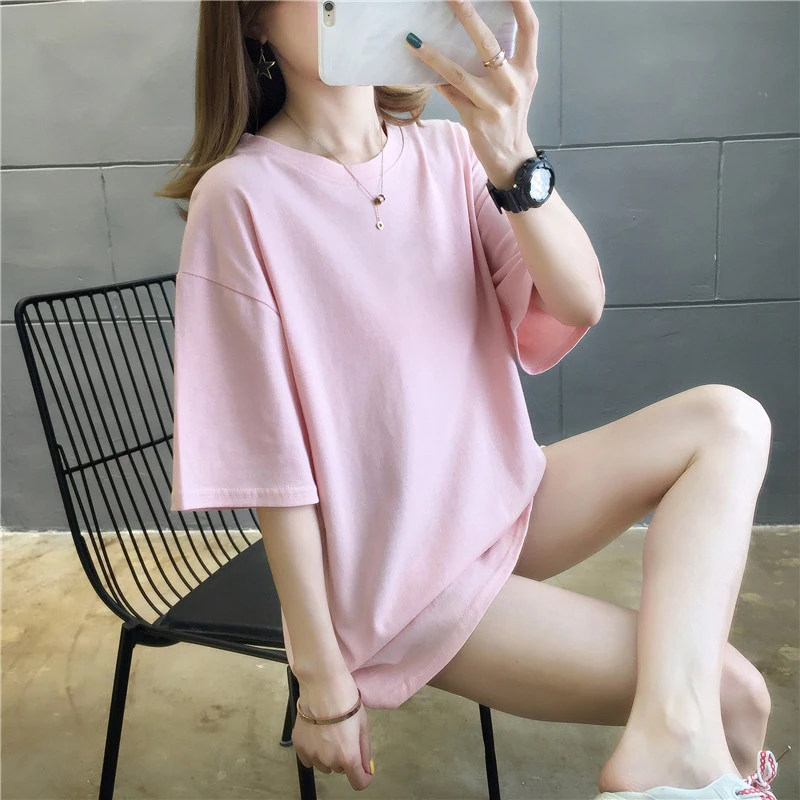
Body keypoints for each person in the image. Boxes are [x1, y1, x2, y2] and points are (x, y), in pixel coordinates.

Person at [158, 2, 784, 798]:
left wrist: (512, 155)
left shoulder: (450, 153)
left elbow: (579, 301)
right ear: (252, 22)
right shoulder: (240, 198)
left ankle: (669, 749)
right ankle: (677, 751)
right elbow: (270, 466)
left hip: (501, 503)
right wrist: (321, 678)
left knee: (729, 419)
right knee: (737, 696)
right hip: (400, 582)